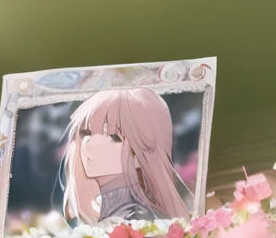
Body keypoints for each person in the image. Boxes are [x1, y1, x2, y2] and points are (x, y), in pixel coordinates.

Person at [61, 88, 191, 224]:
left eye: (113, 137)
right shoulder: (99, 211)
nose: (90, 143)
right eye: (86, 133)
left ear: (140, 155)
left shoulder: (140, 221)